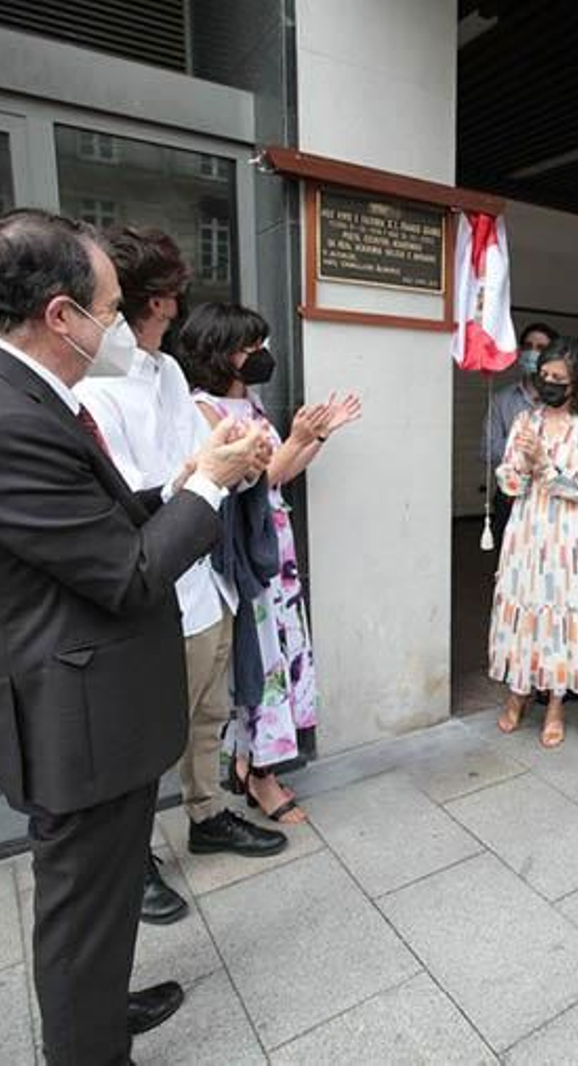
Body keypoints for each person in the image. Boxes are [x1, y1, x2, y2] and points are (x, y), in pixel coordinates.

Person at [0, 209, 267, 1062]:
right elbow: (128, 575)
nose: (121, 326)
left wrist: (183, 483)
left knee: (103, 893)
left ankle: (100, 1012)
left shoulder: (9, 391)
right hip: (68, 711)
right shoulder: (4, 420)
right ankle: (88, 1048)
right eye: (110, 309)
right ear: (60, 315)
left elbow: (95, 535)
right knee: (80, 905)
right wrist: (214, 489)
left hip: (80, 695)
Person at [74, 226, 284, 929]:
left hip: (208, 579)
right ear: (159, 301)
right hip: (157, 589)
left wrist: (232, 453)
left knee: (208, 716)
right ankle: (130, 861)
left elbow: (197, 460)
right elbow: (128, 499)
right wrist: (207, 473)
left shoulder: (165, 372)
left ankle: (208, 815)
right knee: (142, 741)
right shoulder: (96, 388)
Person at [179, 303, 361, 823]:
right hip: (244, 555)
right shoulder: (203, 411)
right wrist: (301, 438)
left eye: (261, 343)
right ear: (218, 353)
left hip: (275, 547)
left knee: (282, 647)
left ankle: (248, 762)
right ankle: (261, 774)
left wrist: (317, 437)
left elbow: (280, 474)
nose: (260, 355)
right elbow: (252, 482)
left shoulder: (250, 404)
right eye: (248, 347)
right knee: (260, 660)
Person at [491, 335, 578, 747]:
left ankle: (555, 704)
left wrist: (544, 463)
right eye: (545, 375)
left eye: (559, 377)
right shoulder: (526, 420)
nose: (549, 383)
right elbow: (506, 481)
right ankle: (518, 693)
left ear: (577, 382)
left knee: (558, 618)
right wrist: (522, 464)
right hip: (525, 531)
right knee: (523, 612)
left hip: (566, 538)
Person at [483, 322, 557, 538]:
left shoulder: (563, 404)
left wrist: (515, 447)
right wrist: (529, 452)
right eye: (528, 346)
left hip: (550, 499)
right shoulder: (502, 400)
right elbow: (488, 450)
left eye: (541, 348)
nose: (533, 352)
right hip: (510, 496)